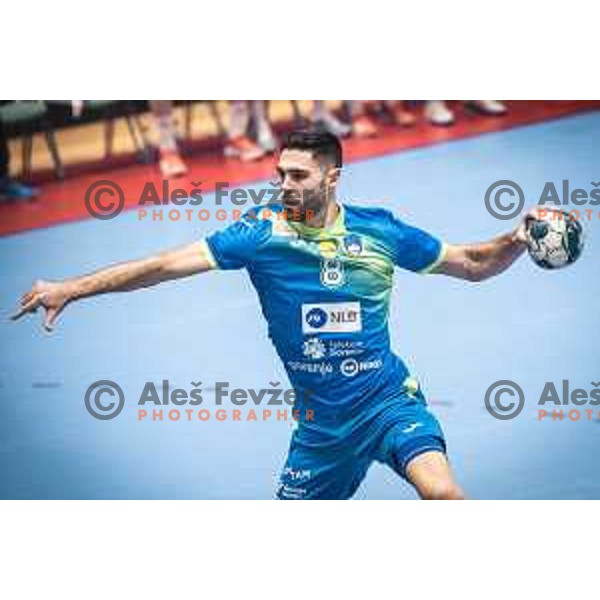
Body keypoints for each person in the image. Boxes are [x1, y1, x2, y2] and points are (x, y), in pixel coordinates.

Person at [12, 130, 539, 500]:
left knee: (442, 492)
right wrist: (71, 288)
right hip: (321, 429)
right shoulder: (259, 234)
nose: (284, 185)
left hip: (387, 402)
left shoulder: (380, 231)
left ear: (332, 178)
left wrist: (516, 239)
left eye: (298, 175)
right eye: (280, 174)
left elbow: (472, 264)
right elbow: (162, 264)